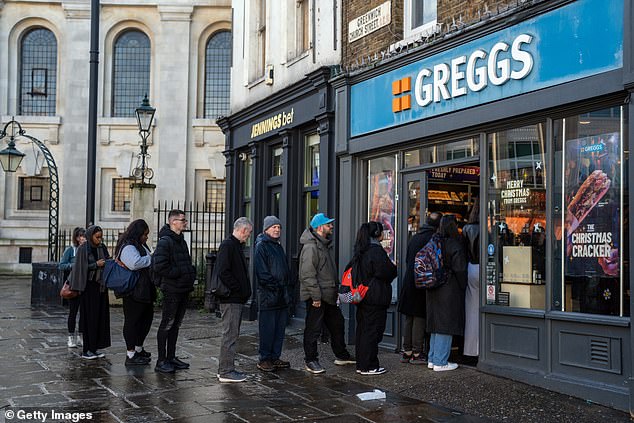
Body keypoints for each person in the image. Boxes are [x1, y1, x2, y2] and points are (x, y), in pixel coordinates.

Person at [299, 213, 355, 374]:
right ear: (319, 227)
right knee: (313, 329)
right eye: (328, 224)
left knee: (337, 324)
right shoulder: (311, 247)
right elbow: (307, 275)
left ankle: (341, 355)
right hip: (317, 296)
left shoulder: (324, 244)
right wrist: (316, 297)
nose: (331, 226)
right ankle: (311, 360)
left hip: (328, 294)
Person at [347, 221, 397, 375]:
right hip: (375, 296)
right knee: (372, 332)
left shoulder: (361, 250)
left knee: (363, 330)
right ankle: (369, 366)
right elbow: (388, 272)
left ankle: (362, 365)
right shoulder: (376, 251)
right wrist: (394, 266)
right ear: (377, 234)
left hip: (362, 296)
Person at [152, 210, 196, 373]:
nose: (185, 222)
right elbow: (160, 266)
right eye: (182, 220)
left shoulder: (181, 240)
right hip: (172, 289)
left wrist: (190, 272)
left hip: (183, 288)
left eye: (185, 219)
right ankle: (161, 360)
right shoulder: (165, 241)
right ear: (173, 222)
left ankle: (171, 357)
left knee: (175, 325)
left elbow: (185, 261)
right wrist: (178, 274)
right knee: (167, 324)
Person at [397, 212, 442, 365]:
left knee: (409, 317)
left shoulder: (415, 237)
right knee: (419, 316)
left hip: (408, 280)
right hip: (422, 281)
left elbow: (407, 259)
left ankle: (407, 350)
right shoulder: (432, 239)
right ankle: (417, 352)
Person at [426, 215, 468, 371]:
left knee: (436, 324)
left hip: (432, 287)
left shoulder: (433, 242)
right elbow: (460, 270)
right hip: (449, 288)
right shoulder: (454, 245)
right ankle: (440, 361)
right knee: (446, 324)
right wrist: (463, 286)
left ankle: (432, 358)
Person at [215, 217, 253, 382]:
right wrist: (237, 289)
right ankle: (225, 371)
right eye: (249, 232)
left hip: (235, 298)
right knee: (230, 334)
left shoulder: (235, 245)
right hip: (231, 299)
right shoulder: (228, 245)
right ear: (243, 230)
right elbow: (223, 272)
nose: (249, 236)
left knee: (232, 334)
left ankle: (227, 369)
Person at [115, 219, 156, 366]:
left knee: (146, 319)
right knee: (133, 321)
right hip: (133, 290)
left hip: (144, 288)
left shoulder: (140, 245)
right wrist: (151, 258)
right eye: (144, 234)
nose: (146, 237)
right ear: (137, 233)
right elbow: (135, 263)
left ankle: (138, 348)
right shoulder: (128, 247)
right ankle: (130, 354)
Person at [254, 216, 292, 372]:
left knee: (279, 329)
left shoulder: (277, 246)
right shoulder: (261, 246)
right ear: (266, 229)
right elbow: (262, 274)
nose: (277, 229)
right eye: (274, 227)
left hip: (281, 295)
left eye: (279, 227)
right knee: (268, 329)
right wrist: (276, 287)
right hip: (269, 296)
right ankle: (264, 359)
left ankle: (275, 357)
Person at [69, 225, 111, 359]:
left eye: (101, 237)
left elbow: (107, 261)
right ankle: (87, 349)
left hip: (101, 287)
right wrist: (95, 265)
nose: (99, 240)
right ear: (90, 236)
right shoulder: (83, 249)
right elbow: (80, 268)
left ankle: (94, 347)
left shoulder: (102, 247)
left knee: (99, 318)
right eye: (97, 237)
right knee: (89, 319)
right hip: (88, 288)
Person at [59, 227, 86, 348]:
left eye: (84, 236)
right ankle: (70, 337)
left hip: (85, 285)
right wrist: (74, 265)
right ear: (76, 238)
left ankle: (81, 336)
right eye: (81, 236)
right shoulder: (71, 250)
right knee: (73, 312)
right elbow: (62, 265)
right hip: (74, 285)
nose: (83, 238)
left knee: (84, 313)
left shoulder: (87, 250)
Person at [462, 200, 480, 363]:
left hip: (470, 267)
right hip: (483, 267)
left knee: (471, 311)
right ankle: (481, 348)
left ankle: (469, 349)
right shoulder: (486, 229)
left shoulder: (467, 229)